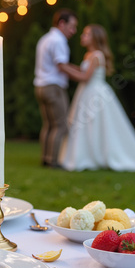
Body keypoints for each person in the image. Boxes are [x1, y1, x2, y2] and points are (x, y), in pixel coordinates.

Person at [59, 24, 135, 172]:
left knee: (94, 124)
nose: (82, 37)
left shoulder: (97, 56)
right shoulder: (89, 55)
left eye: (86, 34)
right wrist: (68, 66)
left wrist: (63, 68)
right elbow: (82, 70)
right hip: (86, 93)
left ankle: (94, 155)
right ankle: (86, 154)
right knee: (86, 125)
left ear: (95, 38)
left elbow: (85, 76)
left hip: (95, 94)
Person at [34, 9, 78, 168]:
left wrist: (77, 69)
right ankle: (53, 161)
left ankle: (45, 158)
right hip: (53, 87)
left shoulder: (45, 39)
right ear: (61, 23)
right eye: (72, 26)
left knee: (48, 125)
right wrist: (82, 76)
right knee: (60, 125)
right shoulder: (58, 41)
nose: (73, 31)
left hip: (40, 86)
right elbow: (61, 66)